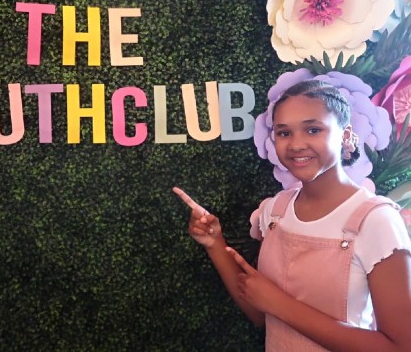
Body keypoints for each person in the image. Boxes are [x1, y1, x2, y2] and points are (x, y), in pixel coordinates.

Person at [174, 79, 411, 351]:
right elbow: (261, 315)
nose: (296, 144)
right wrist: (215, 243)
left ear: (345, 135)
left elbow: (400, 346)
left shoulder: (376, 220)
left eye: (313, 129)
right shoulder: (275, 211)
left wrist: (280, 305)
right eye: (284, 133)